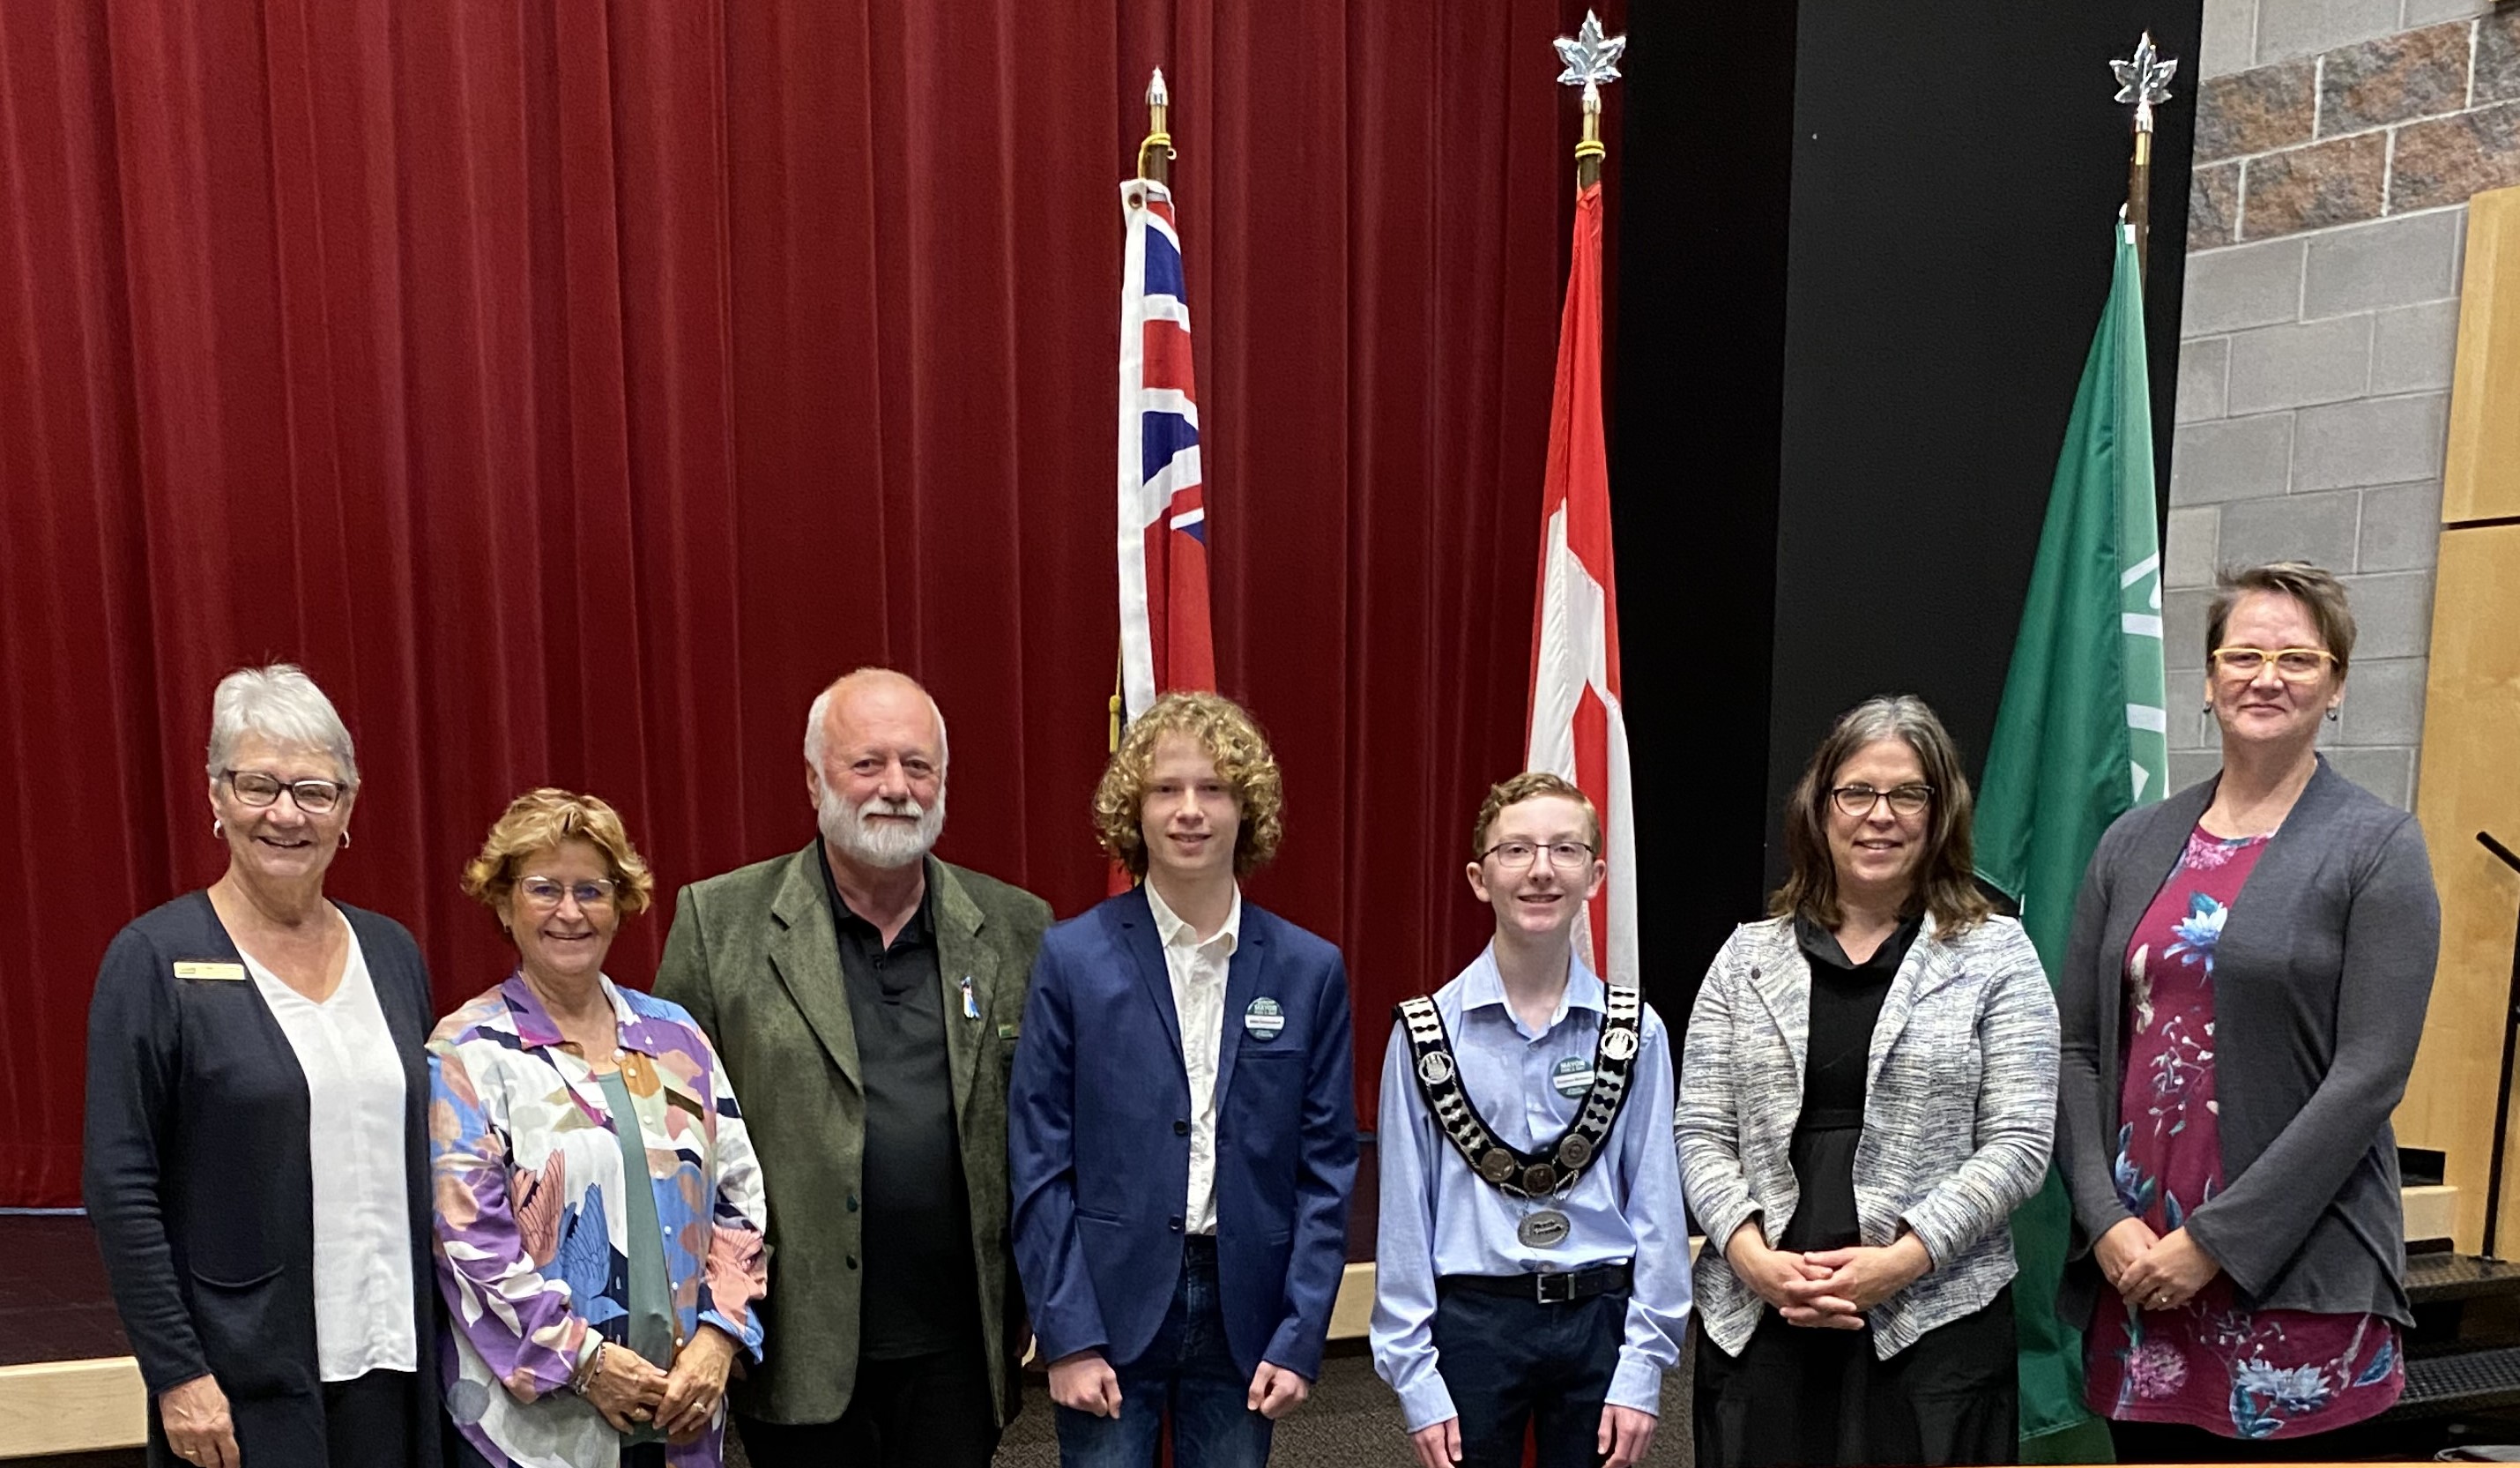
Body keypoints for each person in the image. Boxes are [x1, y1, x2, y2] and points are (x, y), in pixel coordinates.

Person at [2055, 563, 2440, 1459]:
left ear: (2337, 685)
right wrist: (2102, 1218)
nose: (2267, 677)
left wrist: (2216, 1243)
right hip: (2139, 1275)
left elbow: (2369, 1074)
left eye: (2298, 659)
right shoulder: (2135, 841)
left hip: (2292, 1283)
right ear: (2208, 676)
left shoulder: (2378, 846)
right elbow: (2076, 1047)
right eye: (2245, 654)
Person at [652, 668, 1052, 1468]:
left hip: (959, 1348)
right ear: (813, 779)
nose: (896, 787)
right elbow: (675, 1142)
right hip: (800, 1344)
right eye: (867, 763)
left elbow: (1048, 1124)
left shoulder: (1016, 927)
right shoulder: (718, 922)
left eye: (918, 764)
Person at [1680, 695, 2058, 1467]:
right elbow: (1699, 1132)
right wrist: (1753, 1259)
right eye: (1856, 791)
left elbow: (2019, 1142)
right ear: (1820, 809)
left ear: (1938, 809)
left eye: (1905, 793)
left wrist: (1903, 1258)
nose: (1878, 815)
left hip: (1933, 1323)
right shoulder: (1745, 958)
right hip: (1762, 1318)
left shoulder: (1998, 955)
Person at [85, 663, 441, 1468]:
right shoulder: (153, 959)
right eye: (258, 784)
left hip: (394, 1368)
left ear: (347, 806)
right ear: (216, 795)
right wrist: (177, 1374)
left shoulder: (390, 952)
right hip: (241, 1387)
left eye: (315, 790)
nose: (286, 813)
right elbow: (120, 1184)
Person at [1010, 690, 1357, 1468]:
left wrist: (1302, 1336)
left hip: (1247, 1310)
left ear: (1247, 807)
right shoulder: (1071, 959)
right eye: (1166, 789)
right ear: (1133, 810)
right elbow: (1039, 1160)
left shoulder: (1308, 970)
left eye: (1214, 788)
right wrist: (1066, 1336)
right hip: (1109, 1305)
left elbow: (1326, 1167)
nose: (1189, 810)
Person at [429, 788, 769, 1468]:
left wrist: (720, 1336)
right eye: (544, 888)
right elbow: (470, 1244)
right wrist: (585, 1361)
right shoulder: (468, 1049)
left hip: (682, 1413)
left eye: (592, 889)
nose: (569, 911)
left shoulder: (677, 1037)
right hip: (534, 1434)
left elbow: (741, 1202)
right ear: (503, 902)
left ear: (621, 903)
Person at [1370, 771, 1691, 1468]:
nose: (1540, 870)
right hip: (1473, 1324)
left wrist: (1643, 1367)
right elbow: (1403, 1217)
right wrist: (1415, 1376)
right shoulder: (1427, 1035)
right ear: (1479, 877)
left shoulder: (1636, 1031)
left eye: (1564, 850)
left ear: (1595, 874)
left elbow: (1658, 1208)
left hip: (1598, 1321)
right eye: (1515, 850)